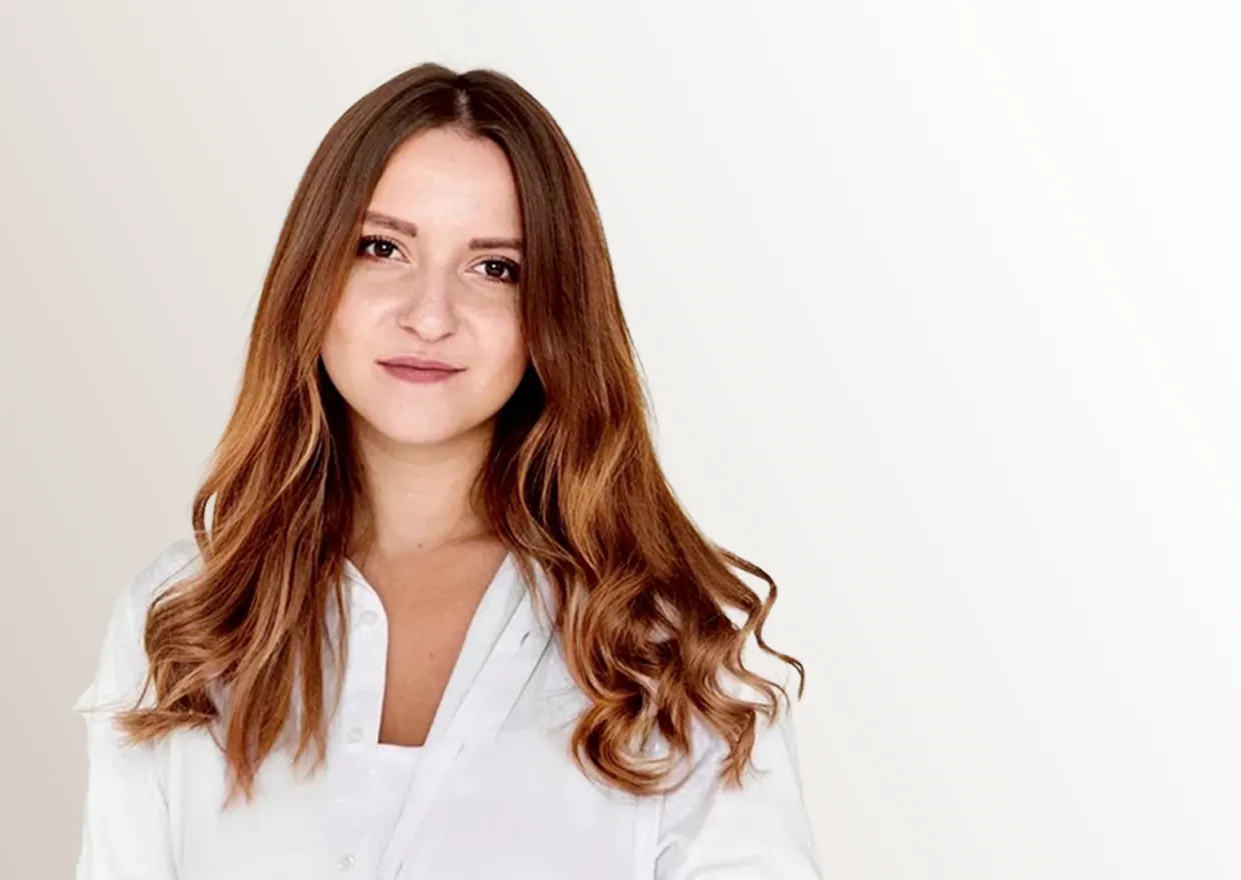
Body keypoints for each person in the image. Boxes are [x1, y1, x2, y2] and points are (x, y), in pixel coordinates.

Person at [72, 61, 822, 879]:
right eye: (382, 247)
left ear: (553, 313)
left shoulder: (665, 641)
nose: (429, 315)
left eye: (494, 267)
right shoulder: (183, 618)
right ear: (311, 275)